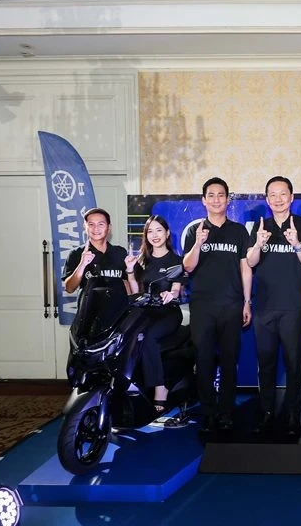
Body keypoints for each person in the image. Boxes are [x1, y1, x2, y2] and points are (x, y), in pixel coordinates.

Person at [245, 175, 301, 436]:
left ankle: (293, 414)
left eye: (282, 193)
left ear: (291, 197)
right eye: (272, 195)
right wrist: (258, 244)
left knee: (294, 363)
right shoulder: (260, 226)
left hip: (293, 306)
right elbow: (250, 262)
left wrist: (296, 244)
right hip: (264, 306)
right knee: (265, 362)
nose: (278, 199)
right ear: (267, 199)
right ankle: (266, 411)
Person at [183, 177, 252, 432]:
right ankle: (208, 411)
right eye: (210, 195)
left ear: (227, 199)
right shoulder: (195, 230)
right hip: (202, 306)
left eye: (220, 195)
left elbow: (246, 268)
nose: (216, 199)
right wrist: (198, 243)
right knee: (203, 361)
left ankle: (226, 410)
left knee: (229, 360)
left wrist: (246, 301)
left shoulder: (239, 231)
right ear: (203, 200)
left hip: (232, 304)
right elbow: (188, 266)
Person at [126, 215, 184, 413]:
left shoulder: (176, 260)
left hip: (168, 312)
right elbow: (136, 292)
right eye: (150, 231)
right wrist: (130, 271)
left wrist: (170, 294)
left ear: (167, 233)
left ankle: (160, 388)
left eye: (159, 230)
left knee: (149, 336)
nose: (155, 235)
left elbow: (176, 289)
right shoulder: (142, 260)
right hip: (145, 313)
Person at [62, 207, 131, 327]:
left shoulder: (120, 252)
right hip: (87, 320)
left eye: (101, 224)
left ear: (109, 227)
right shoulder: (76, 254)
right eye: (91, 224)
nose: (96, 228)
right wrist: (82, 264)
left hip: (117, 319)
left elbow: (127, 284)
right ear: (85, 227)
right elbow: (69, 288)